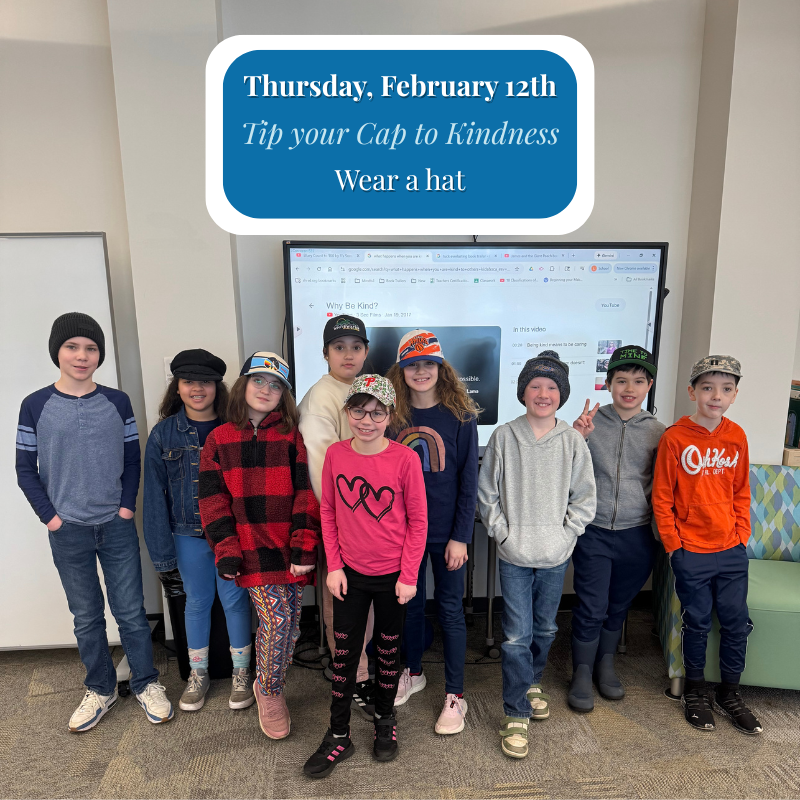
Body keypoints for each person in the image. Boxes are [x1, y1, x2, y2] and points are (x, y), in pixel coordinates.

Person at [16, 312, 172, 731]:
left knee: (131, 612)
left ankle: (146, 682)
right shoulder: (35, 405)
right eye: (72, 347)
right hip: (67, 530)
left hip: (116, 525)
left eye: (90, 348)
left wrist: (125, 507)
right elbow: (25, 468)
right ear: (57, 352)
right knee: (86, 615)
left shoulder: (117, 402)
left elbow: (132, 459)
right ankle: (101, 689)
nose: (81, 355)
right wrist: (51, 518)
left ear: (99, 355)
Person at [303, 375, 427, 779]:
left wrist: (409, 575)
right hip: (349, 576)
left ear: (390, 415)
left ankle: (385, 719)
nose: (367, 421)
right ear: (347, 412)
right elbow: (328, 512)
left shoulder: (405, 459)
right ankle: (339, 734)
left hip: (393, 579)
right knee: (345, 657)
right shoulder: (336, 454)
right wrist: (335, 565)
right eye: (359, 411)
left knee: (388, 654)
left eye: (376, 413)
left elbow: (418, 522)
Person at [478, 350, 596, 759]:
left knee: (545, 629)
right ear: (522, 392)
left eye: (551, 387)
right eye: (534, 386)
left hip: (555, 554)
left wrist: (567, 535)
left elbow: (584, 498)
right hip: (514, 554)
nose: (543, 394)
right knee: (516, 636)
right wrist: (502, 534)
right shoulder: (504, 436)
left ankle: (531, 682)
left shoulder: (572, 441)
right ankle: (516, 712)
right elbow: (487, 493)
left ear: (561, 395)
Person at [199, 352, 320, 739]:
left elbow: (306, 495)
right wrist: (226, 549)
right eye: (258, 381)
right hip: (249, 550)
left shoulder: (291, 436)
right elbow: (213, 502)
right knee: (276, 622)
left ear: (284, 395)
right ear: (243, 385)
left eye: (276, 385)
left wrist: (304, 548)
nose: (266, 390)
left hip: (289, 549)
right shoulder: (219, 439)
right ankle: (269, 692)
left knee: (292, 626)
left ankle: (271, 683)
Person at [652, 355, 761, 735]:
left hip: (730, 550)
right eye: (708, 388)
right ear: (692, 392)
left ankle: (730, 692)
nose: (717, 396)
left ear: (734, 395)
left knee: (735, 623)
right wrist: (674, 547)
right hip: (690, 552)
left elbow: (741, 491)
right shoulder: (675, 438)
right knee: (696, 623)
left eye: (726, 389)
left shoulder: (737, 436)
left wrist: (741, 536)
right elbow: (662, 497)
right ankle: (695, 691)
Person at [143, 349, 254, 713]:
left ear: (217, 387)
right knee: (197, 601)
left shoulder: (235, 428)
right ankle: (198, 672)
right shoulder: (163, 435)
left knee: (235, 600)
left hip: (231, 534)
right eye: (188, 381)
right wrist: (161, 554)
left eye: (205, 381)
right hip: (187, 534)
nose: (197, 389)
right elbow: (154, 497)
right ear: (176, 386)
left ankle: (241, 671)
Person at [385, 329, 479, 734]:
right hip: (403, 534)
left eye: (428, 364)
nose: (420, 371)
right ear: (401, 370)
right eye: (412, 365)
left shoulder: (462, 417)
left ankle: (455, 695)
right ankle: (413, 671)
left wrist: (461, 537)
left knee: (450, 610)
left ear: (441, 368)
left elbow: (468, 481)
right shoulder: (392, 417)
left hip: (445, 534)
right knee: (408, 606)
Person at [568, 345, 665, 712]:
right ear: (608, 383)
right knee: (591, 605)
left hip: (637, 534)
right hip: (593, 531)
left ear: (649, 386)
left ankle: (605, 664)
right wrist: (578, 437)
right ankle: (581, 670)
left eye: (638, 381)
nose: (629, 388)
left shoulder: (659, 432)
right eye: (621, 380)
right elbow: (568, 472)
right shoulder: (591, 423)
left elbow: (664, 484)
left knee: (618, 605)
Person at [297, 315, 375, 720]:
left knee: (365, 600)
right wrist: (347, 524)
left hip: (371, 521)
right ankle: (353, 677)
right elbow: (322, 470)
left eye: (356, 347)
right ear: (325, 353)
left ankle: (362, 669)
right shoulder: (320, 397)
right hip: (344, 522)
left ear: (365, 351)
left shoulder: (365, 390)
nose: (348, 354)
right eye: (339, 347)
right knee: (342, 602)